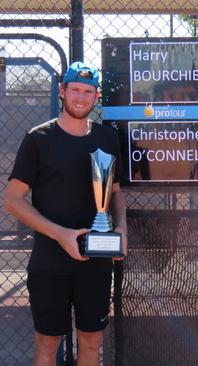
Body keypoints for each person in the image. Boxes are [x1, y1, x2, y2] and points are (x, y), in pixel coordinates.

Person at [3, 61, 128, 366]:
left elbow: (115, 194)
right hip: (49, 262)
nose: (81, 98)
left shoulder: (107, 139)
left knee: (91, 341)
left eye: (88, 92)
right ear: (62, 91)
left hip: (96, 263)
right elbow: (13, 200)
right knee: (47, 345)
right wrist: (62, 235)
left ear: (96, 97)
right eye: (75, 90)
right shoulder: (38, 139)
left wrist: (122, 228)